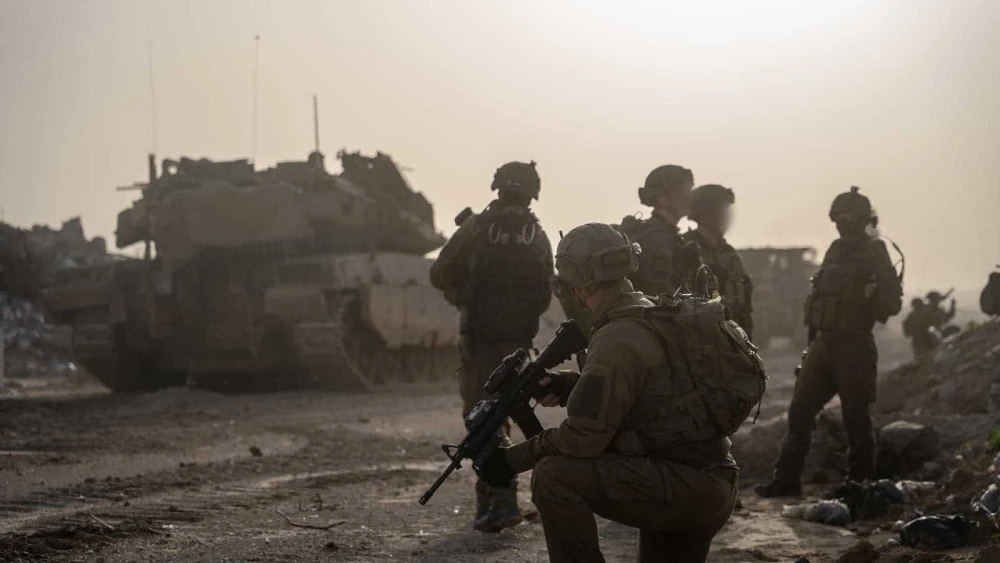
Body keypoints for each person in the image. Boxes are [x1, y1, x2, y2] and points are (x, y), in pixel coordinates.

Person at [477, 223, 740, 563]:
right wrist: (572, 385)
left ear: (579, 282)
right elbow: (651, 392)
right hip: (704, 480)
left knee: (554, 476)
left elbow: (583, 438)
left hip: (682, 486)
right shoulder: (648, 310)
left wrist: (511, 460)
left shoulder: (616, 336)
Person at [429, 160, 554, 532]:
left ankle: (498, 505)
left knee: (483, 418)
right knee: (504, 416)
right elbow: (545, 295)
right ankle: (499, 502)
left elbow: (438, 274)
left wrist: (463, 297)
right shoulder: (539, 236)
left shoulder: (476, 227)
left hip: (478, 340)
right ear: (533, 191)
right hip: (518, 343)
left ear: (497, 187)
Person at [757, 186, 902, 497]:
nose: (845, 221)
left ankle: (859, 484)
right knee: (800, 411)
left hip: (855, 345)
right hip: (823, 344)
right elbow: (817, 302)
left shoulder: (876, 253)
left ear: (865, 219)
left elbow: (892, 305)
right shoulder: (835, 250)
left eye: (852, 217)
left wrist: (875, 295)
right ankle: (786, 480)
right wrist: (809, 349)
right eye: (840, 216)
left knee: (855, 416)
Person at [682, 183, 755, 339]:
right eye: (722, 210)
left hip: (734, 340)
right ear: (704, 214)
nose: (727, 216)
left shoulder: (730, 254)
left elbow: (745, 304)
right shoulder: (686, 251)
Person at [620, 165, 700, 296]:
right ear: (662, 197)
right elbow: (659, 293)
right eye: (684, 191)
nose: (690, 197)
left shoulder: (666, 234)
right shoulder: (657, 237)